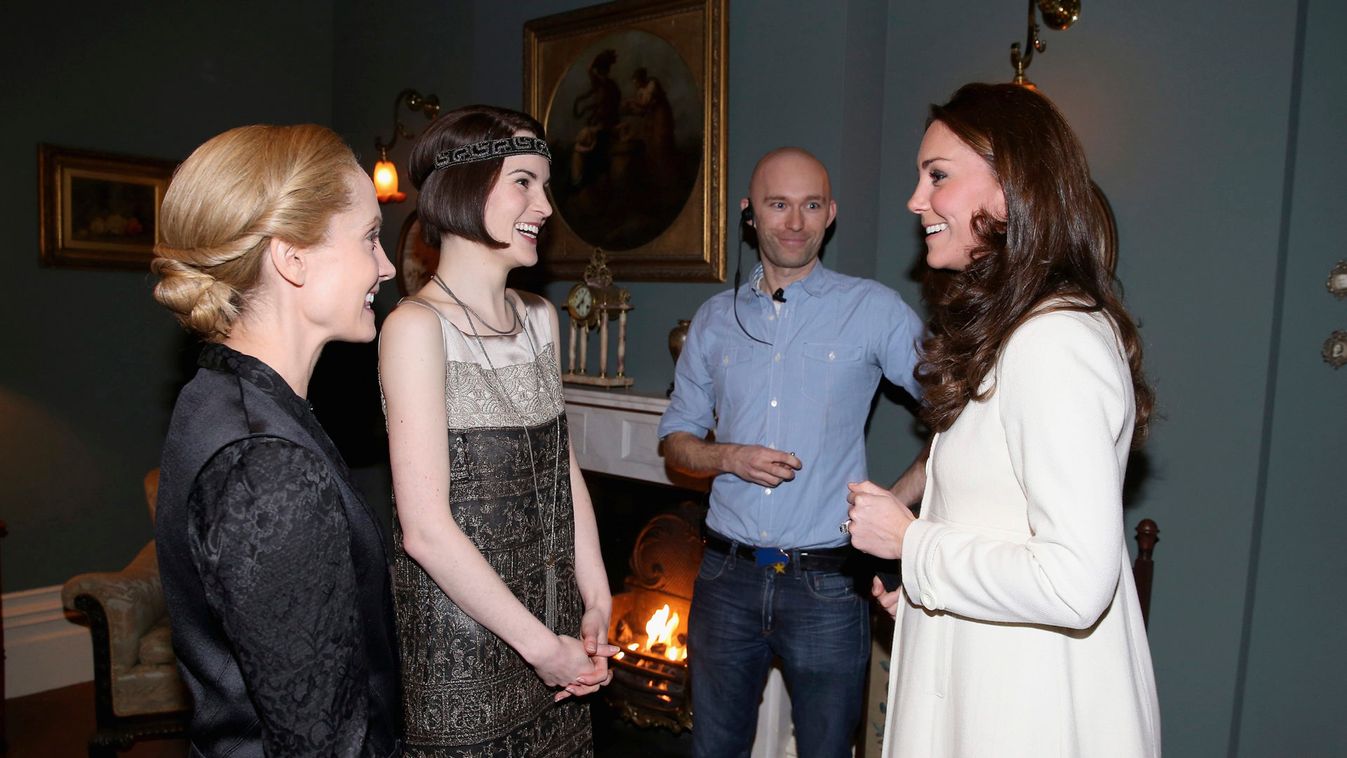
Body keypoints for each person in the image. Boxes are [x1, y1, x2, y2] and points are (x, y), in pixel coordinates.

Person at [845, 83, 1161, 756]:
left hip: (1028, 710)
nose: (914, 200)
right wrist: (935, 607)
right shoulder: (1015, 335)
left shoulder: (1054, 342)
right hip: (994, 676)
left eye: (937, 176)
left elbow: (1074, 583)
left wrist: (912, 545)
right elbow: (1002, 528)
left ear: (1009, 186)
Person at [658, 147, 926, 758]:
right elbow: (675, 441)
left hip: (829, 585)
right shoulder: (712, 320)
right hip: (725, 578)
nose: (795, 223)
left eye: (810, 206)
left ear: (830, 214)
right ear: (751, 214)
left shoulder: (874, 309)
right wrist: (728, 457)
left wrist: (893, 499)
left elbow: (963, 414)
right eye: (779, 205)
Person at [151, 124, 401, 756]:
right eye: (371, 237)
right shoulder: (266, 466)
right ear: (291, 256)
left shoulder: (219, 392)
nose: (388, 265)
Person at [378, 105, 616, 757]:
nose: (544, 204)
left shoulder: (539, 317)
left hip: (555, 623)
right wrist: (542, 650)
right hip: (464, 640)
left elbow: (562, 468)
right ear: (463, 187)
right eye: (523, 182)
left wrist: (594, 597)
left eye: (545, 184)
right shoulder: (415, 329)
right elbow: (424, 531)